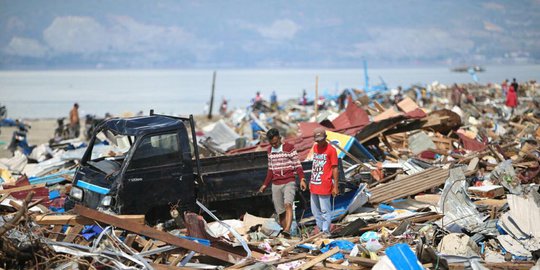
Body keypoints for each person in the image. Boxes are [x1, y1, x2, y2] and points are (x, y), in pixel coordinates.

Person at [258, 128, 305, 238]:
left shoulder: (289, 148)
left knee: (288, 204)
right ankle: (285, 233)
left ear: (280, 138)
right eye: (272, 143)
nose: (274, 145)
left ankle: (287, 229)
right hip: (276, 183)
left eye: (276, 142)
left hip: (289, 181)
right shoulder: (270, 151)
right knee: (280, 211)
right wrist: (265, 185)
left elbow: (297, 165)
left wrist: (302, 179)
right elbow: (271, 170)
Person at [304, 127, 339, 235]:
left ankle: (325, 231)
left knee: (325, 210)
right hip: (315, 182)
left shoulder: (331, 150)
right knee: (315, 210)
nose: (320, 142)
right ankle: (320, 229)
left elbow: (335, 168)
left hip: (325, 183)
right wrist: (311, 180)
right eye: (317, 140)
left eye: (322, 140)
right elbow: (315, 165)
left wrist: (336, 186)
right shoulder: (315, 148)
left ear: (326, 138)